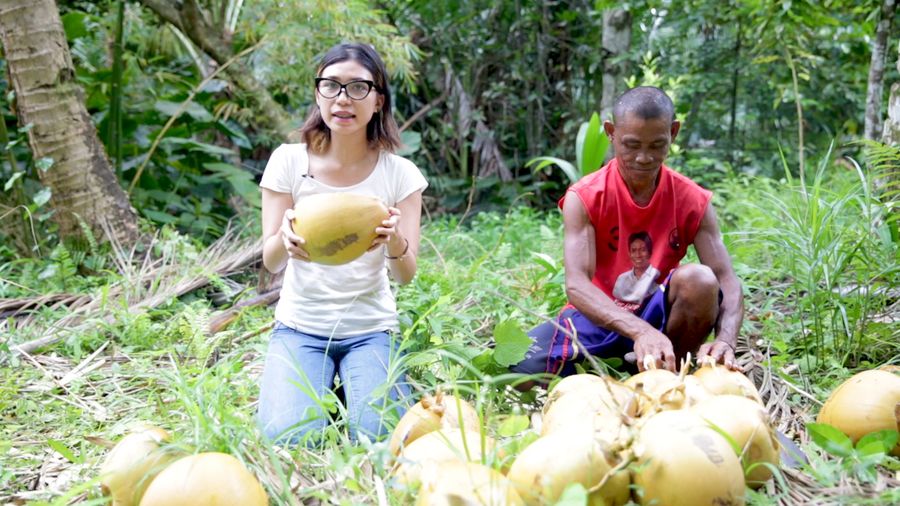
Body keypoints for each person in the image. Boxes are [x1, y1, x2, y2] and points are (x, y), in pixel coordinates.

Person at [256, 42, 427, 444]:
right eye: (331, 86)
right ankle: (323, 394)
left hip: (371, 330)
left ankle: (349, 389)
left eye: (357, 88)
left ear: (378, 99)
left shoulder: (400, 174)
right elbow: (271, 261)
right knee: (291, 440)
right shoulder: (287, 161)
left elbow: (406, 275)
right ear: (318, 95)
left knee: (379, 439)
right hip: (300, 328)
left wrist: (394, 240)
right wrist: (285, 238)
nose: (343, 99)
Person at [512, 86, 742, 380]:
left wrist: (726, 339)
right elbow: (578, 286)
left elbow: (726, 278)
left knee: (700, 280)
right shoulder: (584, 196)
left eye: (657, 145)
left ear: (673, 132)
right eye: (631, 145)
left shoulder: (692, 199)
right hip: (598, 317)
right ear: (611, 132)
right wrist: (638, 331)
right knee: (519, 371)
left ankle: (666, 376)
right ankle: (631, 362)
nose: (644, 158)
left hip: (659, 315)